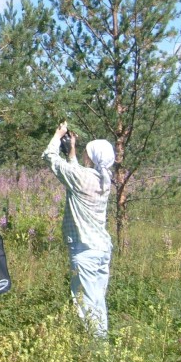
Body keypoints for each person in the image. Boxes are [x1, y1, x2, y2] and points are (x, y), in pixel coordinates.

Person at [42, 121, 115, 338]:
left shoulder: (82, 177)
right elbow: (77, 172)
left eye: (86, 153)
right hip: (101, 250)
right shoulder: (104, 179)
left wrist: (58, 134)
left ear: (92, 158)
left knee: (88, 307)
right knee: (97, 301)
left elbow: (49, 157)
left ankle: (97, 353)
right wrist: (72, 150)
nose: (84, 155)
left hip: (85, 253)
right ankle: (102, 344)